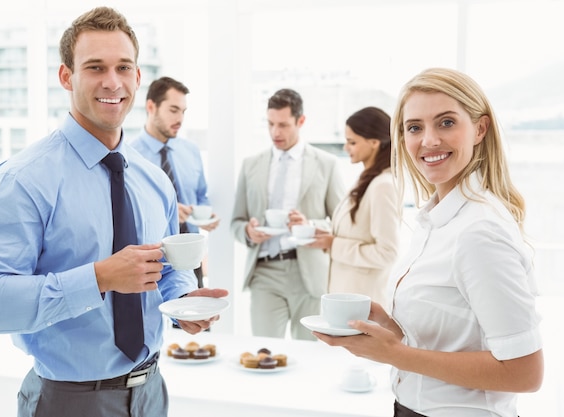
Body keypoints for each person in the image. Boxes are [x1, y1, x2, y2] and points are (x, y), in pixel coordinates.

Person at [0, 7, 228, 417]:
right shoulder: (23, 180)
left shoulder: (154, 180)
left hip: (152, 392)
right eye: (95, 67)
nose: (112, 82)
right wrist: (99, 278)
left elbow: (167, 268)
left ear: (138, 77)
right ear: (67, 77)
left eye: (124, 67)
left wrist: (185, 302)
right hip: (68, 401)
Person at [313, 68, 544, 417]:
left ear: (480, 129)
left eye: (446, 123)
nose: (429, 140)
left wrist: (394, 354)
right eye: (415, 127)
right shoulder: (434, 221)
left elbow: (524, 373)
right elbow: (457, 336)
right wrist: (393, 330)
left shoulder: (478, 232)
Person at [230, 88, 345, 340]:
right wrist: (248, 233)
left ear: (300, 121)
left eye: (283, 125)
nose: (275, 132)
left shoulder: (326, 164)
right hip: (265, 273)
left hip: (310, 275)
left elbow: (342, 223)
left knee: (309, 354)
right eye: (270, 124)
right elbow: (236, 221)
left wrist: (308, 225)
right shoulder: (251, 165)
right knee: (265, 352)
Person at [130, 76, 219, 289]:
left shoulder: (190, 151)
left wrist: (203, 215)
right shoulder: (130, 157)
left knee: (196, 320)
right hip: (150, 260)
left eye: (183, 111)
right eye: (173, 110)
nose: (180, 118)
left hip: (190, 257)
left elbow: (201, 196)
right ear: (151, 106)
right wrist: (166, 212)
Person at [308, 106, 400, 307]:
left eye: (352, 142)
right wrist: (325, 237)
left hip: (362, 304)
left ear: (374, 142)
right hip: (346, 301)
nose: (345, 148)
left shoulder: (382, 185)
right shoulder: (368, 180)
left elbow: (387, 253)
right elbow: (357, 233)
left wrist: (334, 244)